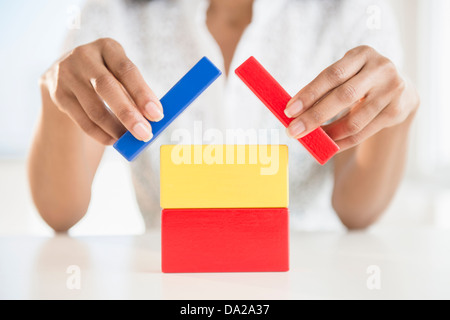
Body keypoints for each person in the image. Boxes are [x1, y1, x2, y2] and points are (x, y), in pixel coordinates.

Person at [27, 0, 420, 232]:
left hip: (304, 277)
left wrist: (399, 111)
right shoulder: (114, 11)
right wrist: (56, 91)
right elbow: (60, 212)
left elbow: (355, 211)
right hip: (169, 282)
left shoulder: (355, 10)